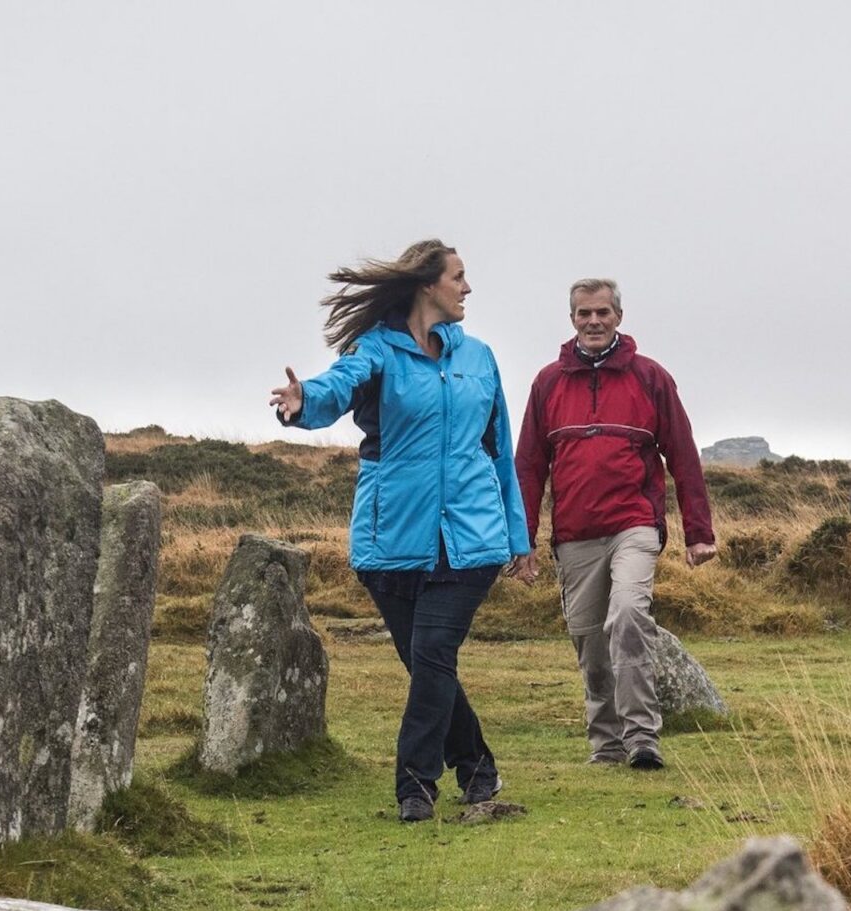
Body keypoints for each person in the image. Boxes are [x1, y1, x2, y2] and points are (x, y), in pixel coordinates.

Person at [269, 239, 535, 822]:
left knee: (434, 652)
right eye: (459, 278)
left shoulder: (479, 359)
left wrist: (518, 539)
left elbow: (499, 453)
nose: (468, 289)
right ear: (426, 286)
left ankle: (415, 784)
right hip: (391, 539)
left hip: (471, 537)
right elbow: (338, 385)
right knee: (426, 663)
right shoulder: (378, 352)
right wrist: (303, 399)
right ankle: (478, 767)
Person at [514, 278, 715, 770]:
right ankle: (605, 745)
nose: (594, 321)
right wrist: (521, 541)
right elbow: (528, 467)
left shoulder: (651, 378)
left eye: (602, 312)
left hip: (634, 525)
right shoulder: (547, 383)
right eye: (584, 313)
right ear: (572, 320)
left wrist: (699, 532)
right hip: (575, 533)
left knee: (627, 615)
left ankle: (643, 736)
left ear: (619, 317)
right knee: (589, 641)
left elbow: (684, 456)